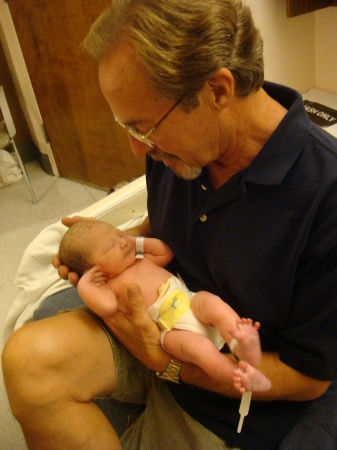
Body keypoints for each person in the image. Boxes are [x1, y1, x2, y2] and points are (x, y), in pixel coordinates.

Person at [2, 0, 337, 449]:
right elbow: (175, 227)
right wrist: (118, 241)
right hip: (157, 316)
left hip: (231, 377)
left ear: (218, 91)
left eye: (143, 127)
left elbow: (308, 378)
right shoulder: (180, 152)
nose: (137, 149)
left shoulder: (324, 198)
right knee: (27, 361)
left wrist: (166, 363)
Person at [59, 219, 271, 394]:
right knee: (200, 351)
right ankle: (240, 376)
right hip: (171, 329)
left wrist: (136, 242)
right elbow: (106, 307)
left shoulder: (140, 260)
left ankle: (242, 342)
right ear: (92, 270)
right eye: (111, 246)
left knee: (213, 303)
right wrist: (85, 285)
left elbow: (165, 252)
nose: (122, 242)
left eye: (119, 234)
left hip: (190, 301)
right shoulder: (109, 287)